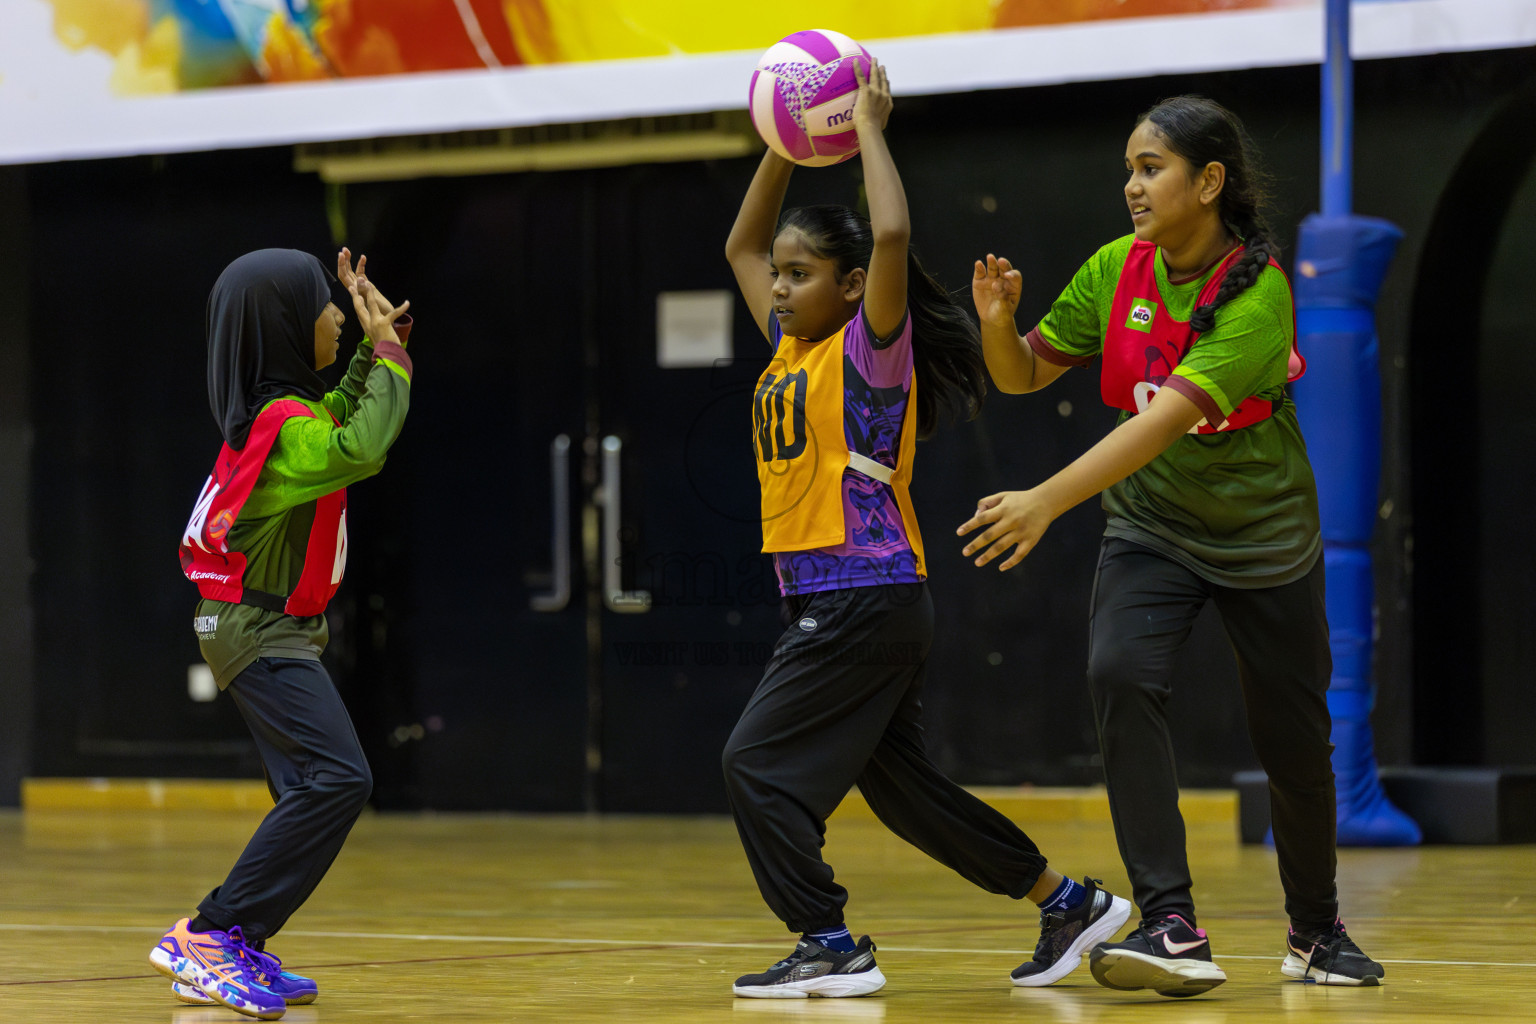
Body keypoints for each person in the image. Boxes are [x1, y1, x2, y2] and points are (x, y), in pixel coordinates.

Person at [721, 59, 1130, 999]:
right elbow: (742, 247)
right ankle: (1065, 901)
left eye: (802, 274)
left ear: (854, 283)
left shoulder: (870, 346)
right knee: (902, 791)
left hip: (862, 594)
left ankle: (827, 940)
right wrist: (782, 147)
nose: (779, 288)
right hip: (840, 601)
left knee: (753, 763)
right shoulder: (791, 344)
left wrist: (867, 126)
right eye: (779, 277)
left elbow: (894, 227)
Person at [960, 95, 1385, 997]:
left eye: (1151, 167)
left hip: (1265, 535)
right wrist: (998, 324)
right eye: (1129, 168)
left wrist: (1044, 500)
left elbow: (1162, 425)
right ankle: (1170, 924)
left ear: (1210, 181)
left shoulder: (1261, 294)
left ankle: (1316, 932)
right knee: (1118, 673)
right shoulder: (1118, 268)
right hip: (1153, 527)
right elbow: (1025, 373)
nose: (1132, 186)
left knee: (1296, 745)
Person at [149, 248, 414, 1020]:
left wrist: (374, 344)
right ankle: (209, 932)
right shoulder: (281, 428)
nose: (337, 312)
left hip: (256, 626)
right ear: (287, 326)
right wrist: (391, 357)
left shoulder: (279, 421)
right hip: (259, 629)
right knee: (339, 778)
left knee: (305, 787)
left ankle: (241, 941)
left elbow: (339, 417)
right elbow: (358, 446)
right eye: (325, 305)